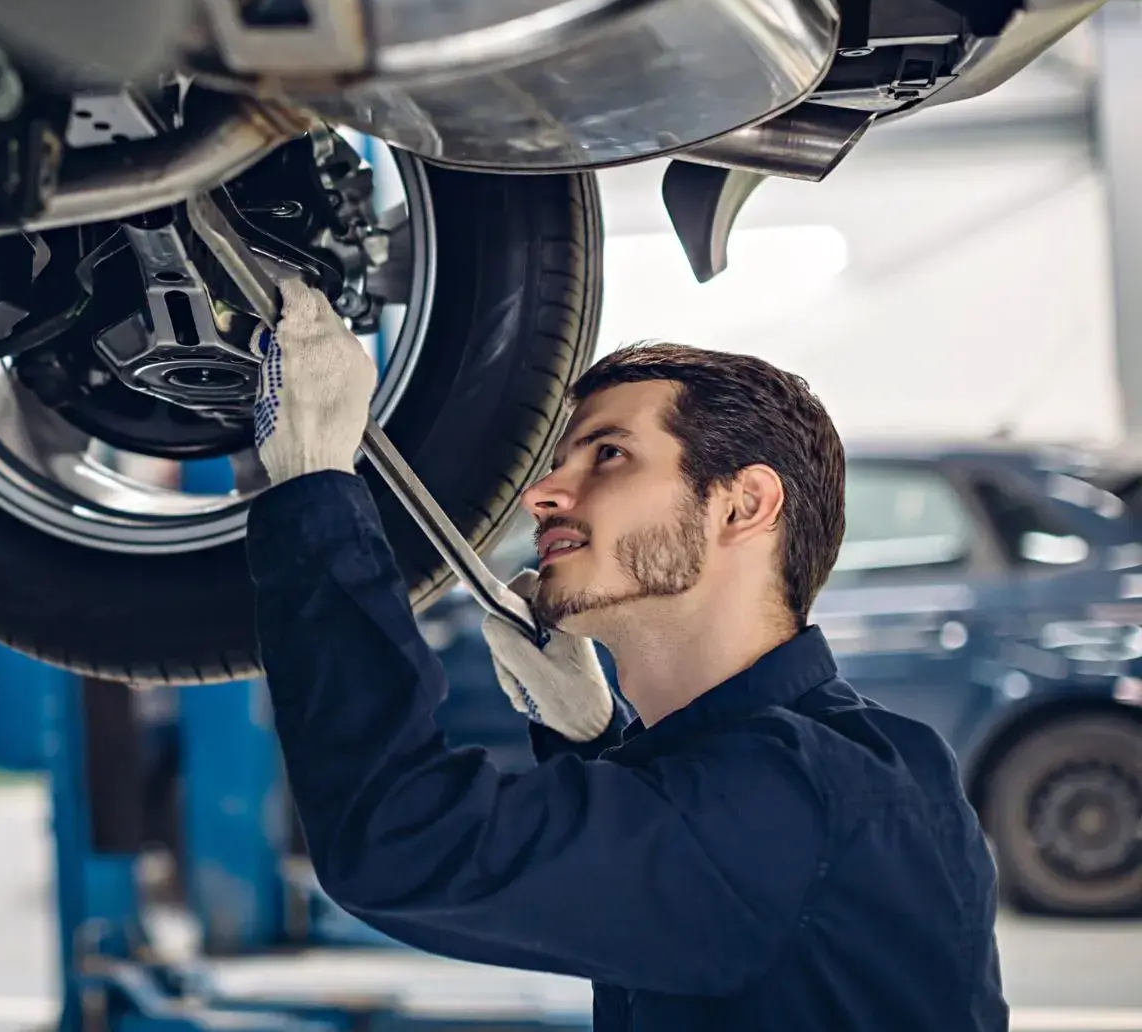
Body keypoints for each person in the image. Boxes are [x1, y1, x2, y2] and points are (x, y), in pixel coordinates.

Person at [244, 278, 1008, 1031]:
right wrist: (593, 741)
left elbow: (398, 843)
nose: (541, 493)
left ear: (743, 505)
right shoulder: (861, 764)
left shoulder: (792, 797)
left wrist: (315, 487)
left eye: (607, 454)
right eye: (560, 461)